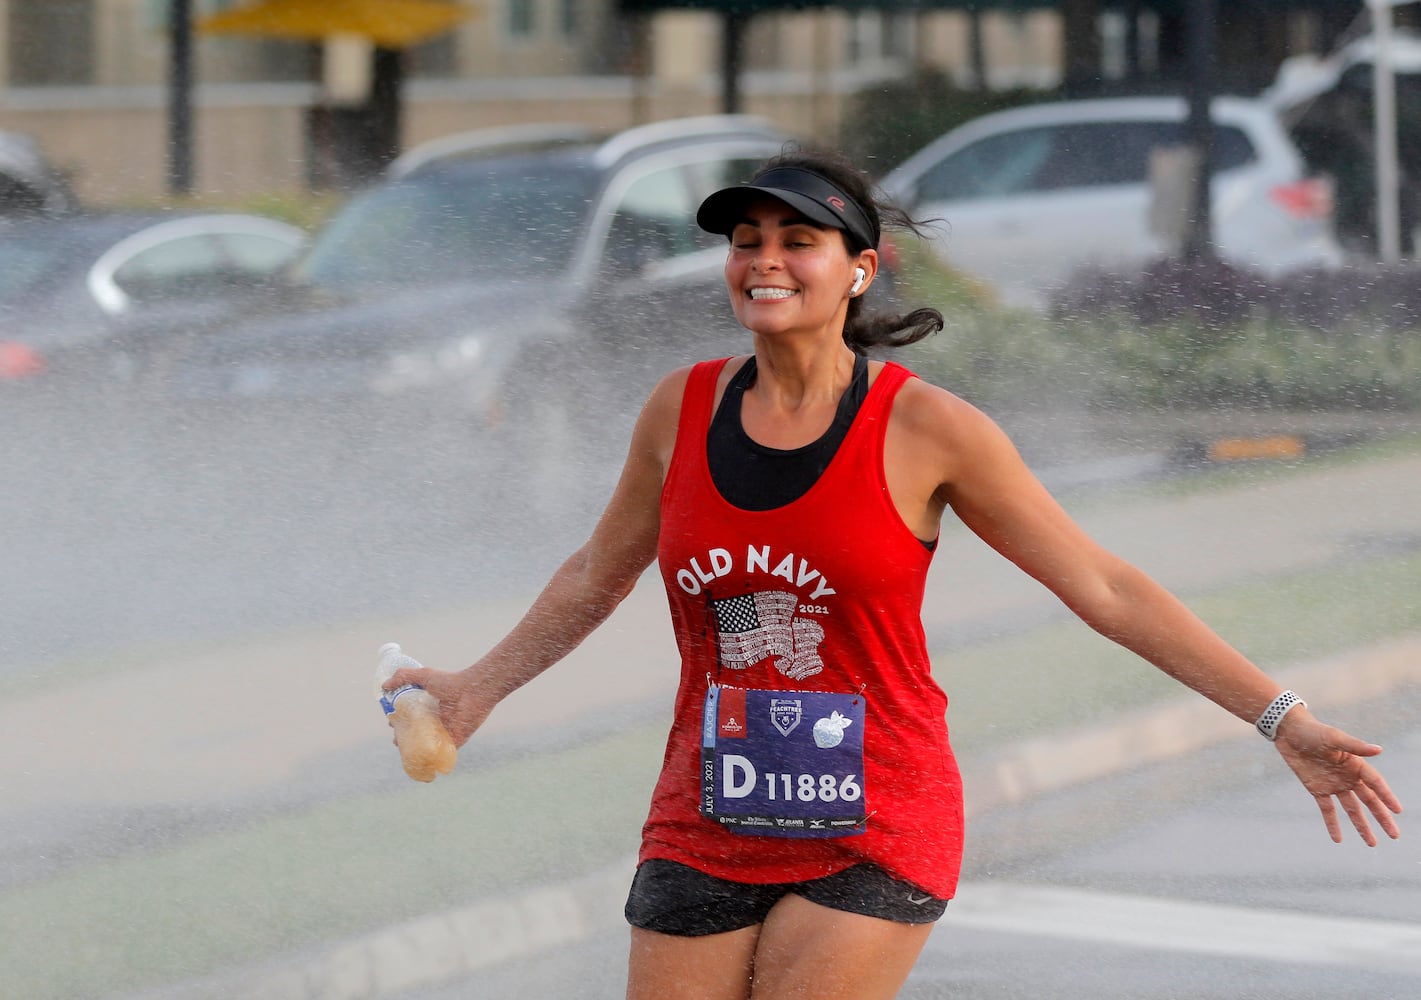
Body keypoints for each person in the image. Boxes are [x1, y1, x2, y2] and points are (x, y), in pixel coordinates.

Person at [384, 147, 1403, 1000]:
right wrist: (478, 685)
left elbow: (1101, 585)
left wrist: (1282, 719)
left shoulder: (928, 429)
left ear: (859, 268)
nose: (764, 261)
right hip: (705, 809)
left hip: (874, 813)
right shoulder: (677, 409)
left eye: (796, 241)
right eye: (746, 243)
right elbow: (593, 575)